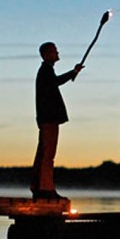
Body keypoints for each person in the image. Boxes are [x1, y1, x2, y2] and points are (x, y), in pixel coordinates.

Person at [30, 42, 83, 200]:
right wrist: (72, 72)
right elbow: (56, 82)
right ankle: (45, 189)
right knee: (48, 155)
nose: (57, 53)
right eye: (54, 51)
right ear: (47, 54)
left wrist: (73, 73)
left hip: (47, 118)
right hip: (49, 119)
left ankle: (38, 186)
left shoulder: (46, 71)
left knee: (43, 153)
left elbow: (55, 82)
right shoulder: (45, 71)